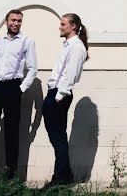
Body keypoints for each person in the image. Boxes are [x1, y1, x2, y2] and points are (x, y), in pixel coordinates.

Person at [0, 9, 38, 179]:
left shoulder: (27, 41)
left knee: (12, 132)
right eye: (13, 20)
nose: (16, 23)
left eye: (19, 21)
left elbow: (33, 68)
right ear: (6, 22)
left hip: (13, 87)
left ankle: (10, 175)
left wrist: (20, 88)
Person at [42, 13, 88, 187]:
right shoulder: (69, 45)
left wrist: (59, 96)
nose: (60, 27)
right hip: (54, 93)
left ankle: (59, 179)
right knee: (58, 138)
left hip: (59, 95)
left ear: (73, 26)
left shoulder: (76, 47)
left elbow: (70, 74)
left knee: (58, 139)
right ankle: (65, 175)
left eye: (63, 24)